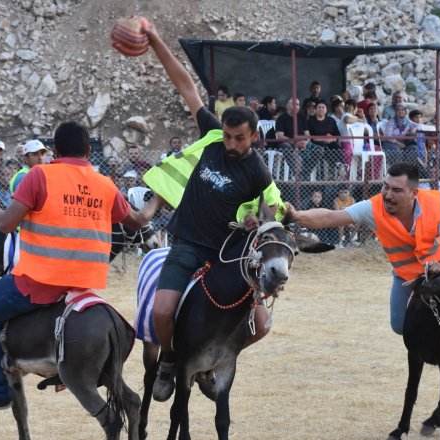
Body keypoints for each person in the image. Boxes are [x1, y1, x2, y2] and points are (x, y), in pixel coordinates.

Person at [0, 121, 155, 412]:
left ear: (55, 152)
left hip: (39, 280)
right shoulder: (105, 184)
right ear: (89, 151)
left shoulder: (40, 176)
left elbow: (7, 224)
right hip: (83, 283)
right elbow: (137, 221)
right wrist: (158, 199)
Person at [139, 18, 280, 403]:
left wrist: (256, 222)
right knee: (163, 311)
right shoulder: (213, 135)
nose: (231, 144)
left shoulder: (258, 172)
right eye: (228, 136)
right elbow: (184, 83)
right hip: (187, 245)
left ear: (254, 137)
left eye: (239, 138)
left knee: (263, 324)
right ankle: (169, 361)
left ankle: (216, 358)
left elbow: (272, 217)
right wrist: (154, 40)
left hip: (224, 256)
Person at [284, 162, 440, 351]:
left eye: (396, 190)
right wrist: (296, 216)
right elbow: (329, 217)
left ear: (414, 192)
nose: (388, 195)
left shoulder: (437, 207)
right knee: (399, 324)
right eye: (385, 187)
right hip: (407, 273)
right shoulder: (373, 207)